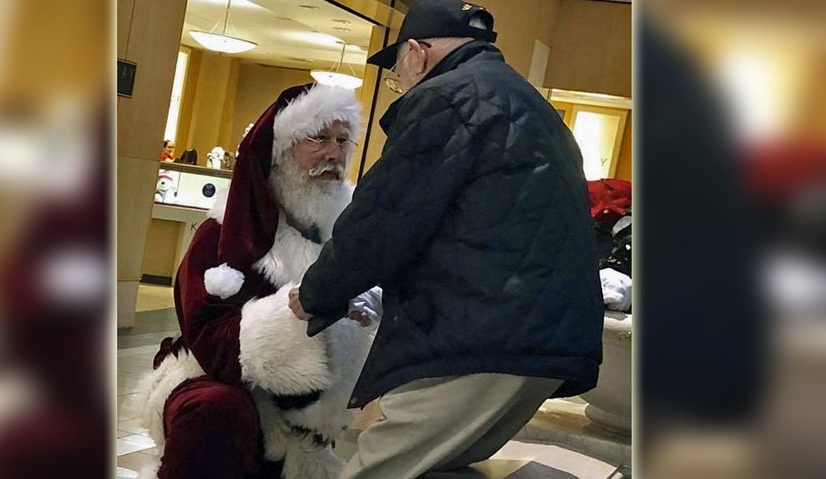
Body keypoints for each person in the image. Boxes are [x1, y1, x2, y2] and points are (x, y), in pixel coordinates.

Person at [287, 1, 603, 477]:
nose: (402, 83)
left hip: (481, 332)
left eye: (396, 73)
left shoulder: (446, 98)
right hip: (540, 331)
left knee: (378, 470)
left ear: (416, 52)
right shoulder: (527, 102)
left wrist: (316, 294)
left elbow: (385, 218)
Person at [132, 83, 382, 479]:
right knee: (216, 411)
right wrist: (296, 311)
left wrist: (367, 304)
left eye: (342, 140)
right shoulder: (223, 233)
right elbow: (209, 338)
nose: (334, 154)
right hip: (216, 384)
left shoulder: (345, 231)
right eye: (319, 138)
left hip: (305, 420)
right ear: (281, 151)